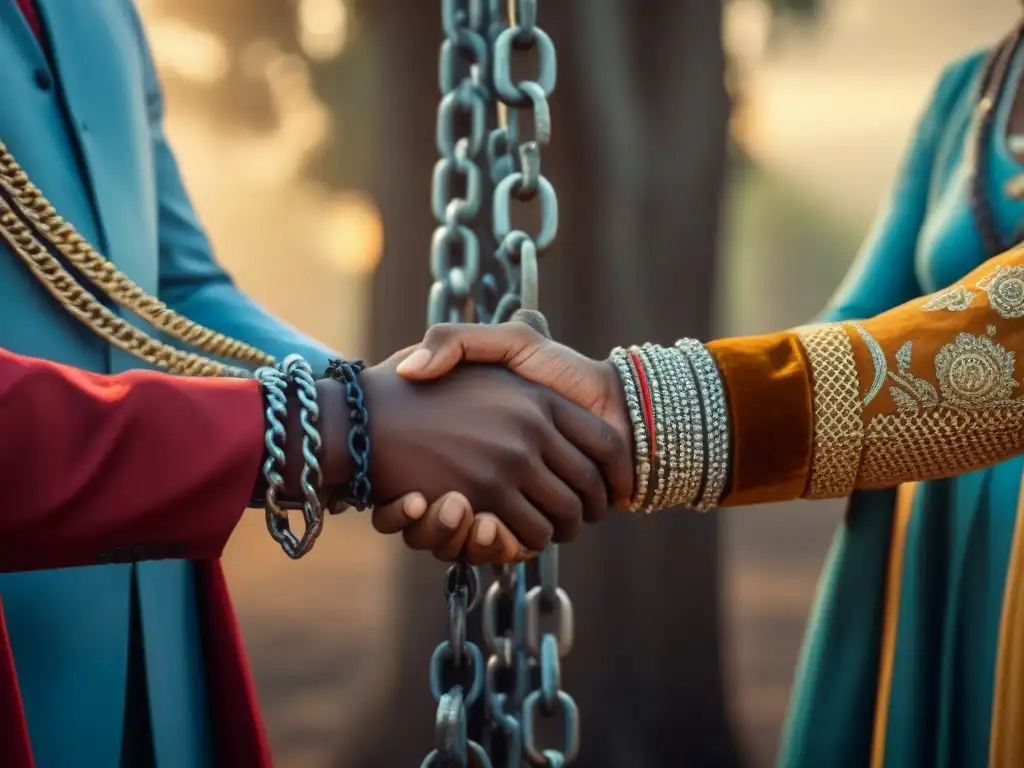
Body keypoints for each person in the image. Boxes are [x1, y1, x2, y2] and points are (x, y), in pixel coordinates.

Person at [0, 2, 625, 766]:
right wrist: (339, 429)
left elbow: (174, 287)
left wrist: (383, 402)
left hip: (160, 671)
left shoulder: (96, 13)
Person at [398, 25, 1024, 762]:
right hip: (935, 553)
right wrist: (579, 415)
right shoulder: (970, 92)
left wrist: (633, 414)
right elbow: (858, 325)